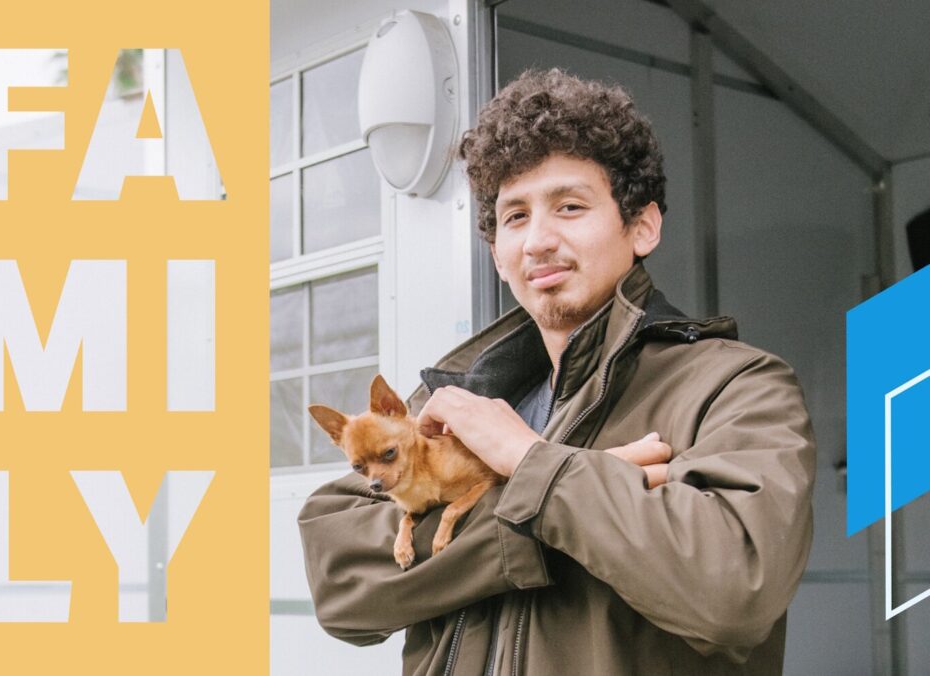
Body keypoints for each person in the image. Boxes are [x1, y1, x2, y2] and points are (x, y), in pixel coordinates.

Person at [298, 68, 816, 675]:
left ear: (642, 225)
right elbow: (339, 584)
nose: (538, 239)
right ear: (497, 253)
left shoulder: (738, 386)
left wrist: (528, 462)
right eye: (514, 217)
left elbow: (733, 588)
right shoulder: (448, 403)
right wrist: (560, 500)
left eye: (569, 206)